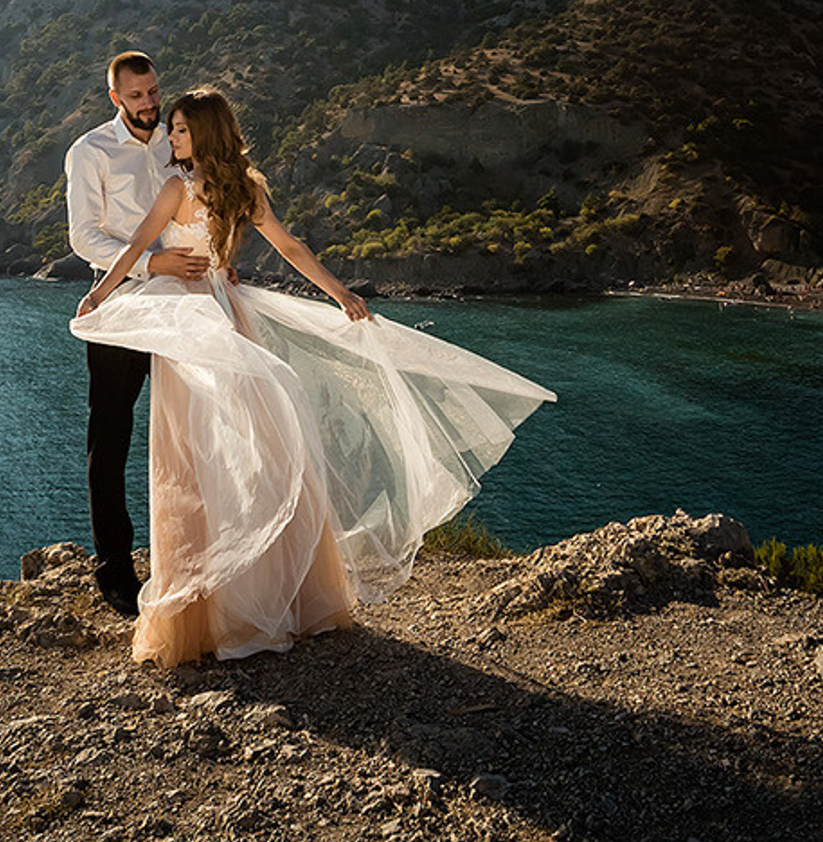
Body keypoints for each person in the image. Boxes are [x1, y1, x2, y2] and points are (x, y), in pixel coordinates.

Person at [73, 87, 554, 667]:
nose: (171, 138)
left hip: (210, 322)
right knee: (224, 451)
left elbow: (260, 247)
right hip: (208, 322)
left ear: (203, 132)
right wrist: (100, 293)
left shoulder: (200, 188)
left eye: (179, 129)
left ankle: (239, 603)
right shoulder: (211, 186)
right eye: (170, 128)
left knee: (220, 452)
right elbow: (167, 246)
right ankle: (232, 601)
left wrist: (342, 293)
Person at [63, 50, 212, 618]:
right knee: (111, 437)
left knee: (192, 430)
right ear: (115, 99)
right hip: (124, 304)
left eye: (154, 92)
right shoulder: (89, 152)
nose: (150, 104)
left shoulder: (180, 142)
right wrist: (153, 265)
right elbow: (84, 237)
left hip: (187, 307)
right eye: (138, 96)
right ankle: (115, 569)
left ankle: (194, 558)